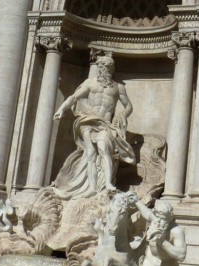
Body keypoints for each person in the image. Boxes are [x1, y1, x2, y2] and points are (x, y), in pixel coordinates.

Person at [52, 56, 136, 198]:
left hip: (105, 124)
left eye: (108, 67)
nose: (105, 70)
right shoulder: (90, 83)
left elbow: (128, 106)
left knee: (104, 150)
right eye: (102, 67)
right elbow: (73, 97)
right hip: (88, 121)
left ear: (112, 69)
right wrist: (61, 109)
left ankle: (108, 183)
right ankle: (92, 187)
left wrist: (120, 117)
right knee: (90, 153)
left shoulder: (118, 87)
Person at [134, 199, 186, 266]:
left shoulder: (176, 231)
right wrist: (136, 200)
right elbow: (147, 213)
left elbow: (181, 255)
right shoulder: (156, 221)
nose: (158, 221)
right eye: (156, 216)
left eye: (162, 219)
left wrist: (163, 243)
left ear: (170, 219)